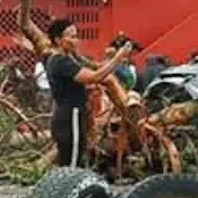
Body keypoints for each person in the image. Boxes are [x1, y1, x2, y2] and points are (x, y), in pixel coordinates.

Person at [45, 18, 133, 167]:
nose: (76, 41)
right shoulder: (60, 62)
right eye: (71, 37)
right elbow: (94, 77)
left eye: (76, 36)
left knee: (74, 161)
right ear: (58, 40)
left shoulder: (69, 58)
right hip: (70, 117)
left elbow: (94, 70)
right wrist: (118, 58)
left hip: (73, 116)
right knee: (71, 166)